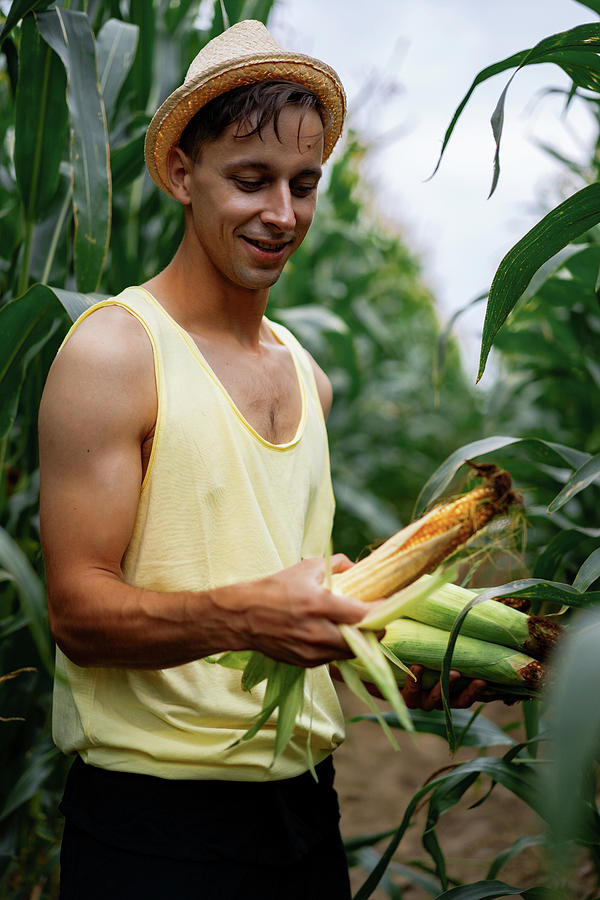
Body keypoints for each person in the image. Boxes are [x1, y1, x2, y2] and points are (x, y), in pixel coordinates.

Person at [38, 20, 483, 900]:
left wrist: (395, 655)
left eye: (304, 184)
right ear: (179, 174)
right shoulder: (117, 353)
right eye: (250, 181)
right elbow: (77, 612)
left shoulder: (308, 378)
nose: (283, 215)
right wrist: (247, 617)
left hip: (305, 817)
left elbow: (276, 599)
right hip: (153, 830)